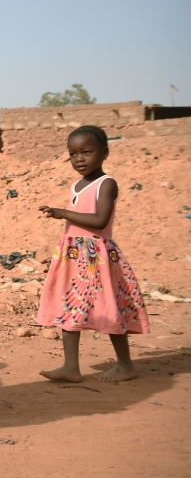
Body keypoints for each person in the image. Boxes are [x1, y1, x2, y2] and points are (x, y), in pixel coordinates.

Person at [36, 125, 149, 383]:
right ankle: (70, 367)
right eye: (73, 154)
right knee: (68, 307)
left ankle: (125, 365)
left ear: (104, 153)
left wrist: (61, 212)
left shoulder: (106, 184)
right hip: (74, 256)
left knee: (108, 308)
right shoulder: (76, 185)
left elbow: (100, 221)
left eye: (86, 152)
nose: (79, 159)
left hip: (97, 256)